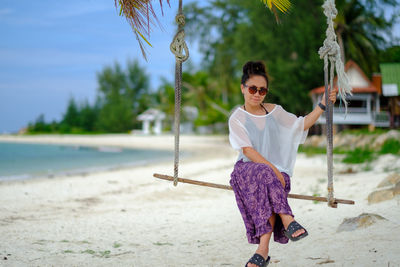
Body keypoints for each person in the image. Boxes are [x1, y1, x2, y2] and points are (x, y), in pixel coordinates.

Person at [228, 61, 337, 267]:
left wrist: (323, 104)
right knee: (265, 174)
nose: (257, 94)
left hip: (273, 172)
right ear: (242, 88)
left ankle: (263, 251)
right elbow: (248, 151)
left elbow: (301, 125)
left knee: (269, 182)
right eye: (252, 89)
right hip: (246, 170)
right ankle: (288, 220)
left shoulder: (275, 111)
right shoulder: (237, 118)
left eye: (262, 90)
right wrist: (273, 169)